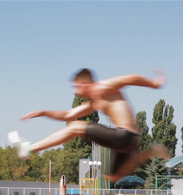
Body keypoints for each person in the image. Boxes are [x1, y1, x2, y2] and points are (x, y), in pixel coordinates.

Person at [9, 68, 170, 182]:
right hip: (128, 143)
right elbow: (68, 114)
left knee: (75, 127)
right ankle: (149, 152)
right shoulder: (94, 102)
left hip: (124, 135)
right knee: (115, 177)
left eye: (77, 86)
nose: (74, 91)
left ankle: (30, 148)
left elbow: (130, 78)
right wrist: (44, 112)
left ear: (86, 83)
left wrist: (153, 84)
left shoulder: (103, 87)